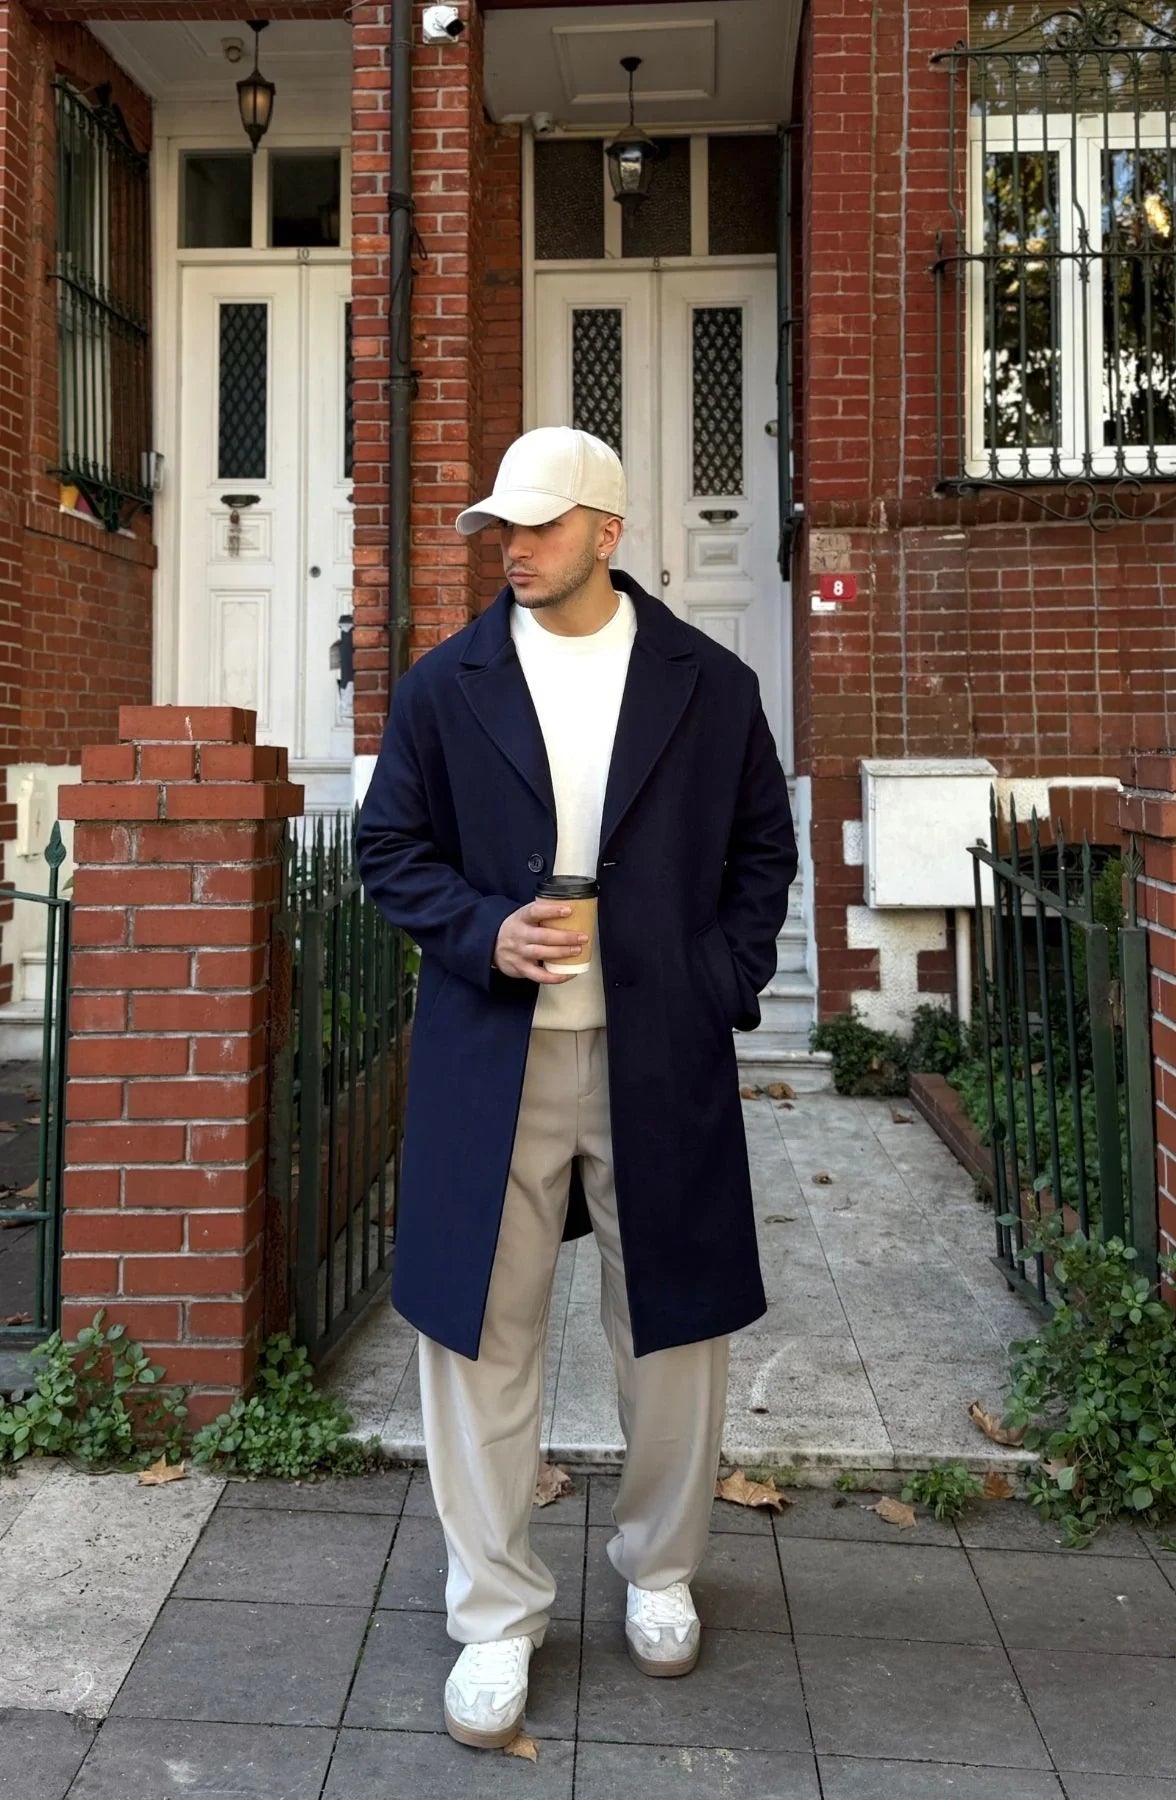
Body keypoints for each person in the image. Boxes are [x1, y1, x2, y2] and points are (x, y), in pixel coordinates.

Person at [355, 425, 797, 1750]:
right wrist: (481, 930)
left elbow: (762, 852)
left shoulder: (708, 682)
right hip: (494, 1050)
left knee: (673, 1325)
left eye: (541, 524)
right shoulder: (447, 684)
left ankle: (661, 1569)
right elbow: (391, 847)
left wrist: (717, 979)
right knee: (476, 1331)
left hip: (660, 1045)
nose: (514, 546)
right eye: (502, 525)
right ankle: (495, 1611)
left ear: (610, 531)